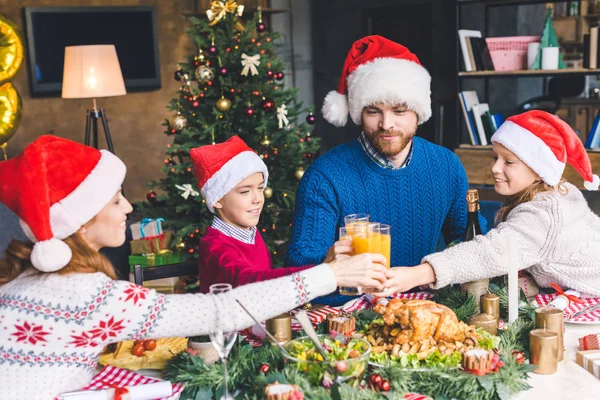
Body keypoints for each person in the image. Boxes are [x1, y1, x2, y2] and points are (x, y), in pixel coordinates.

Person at [0, 135, 387, 400]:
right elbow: (220, 310)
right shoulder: (90, 296)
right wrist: (330, 274)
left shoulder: (20, 283)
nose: (129, 209)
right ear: (82, 220)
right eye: (117, 200)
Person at [287, 35, 484, 305]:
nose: (386, 124)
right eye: (373, 111)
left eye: (399, 110)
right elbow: (298, 264)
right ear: (357, 113)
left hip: (422, 309)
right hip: (345, 316)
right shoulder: (324, 177)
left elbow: (471, 241)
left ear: (418, 112)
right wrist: (326, 263)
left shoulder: (445, 165)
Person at [376, 110, 600, 297]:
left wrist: (419, 274)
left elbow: (491, 252)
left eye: (509, 162)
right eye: (495, 157)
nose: (495, 168)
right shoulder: (561, 191)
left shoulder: (544, 213)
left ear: (540, 172)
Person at [192, 136, 312, 293]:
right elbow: (248, 281)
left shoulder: (250, 232)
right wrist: (320, 274)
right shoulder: (215, 247)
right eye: (245, 191)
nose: (258, 199)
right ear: (217, 199)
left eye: (260, 188)